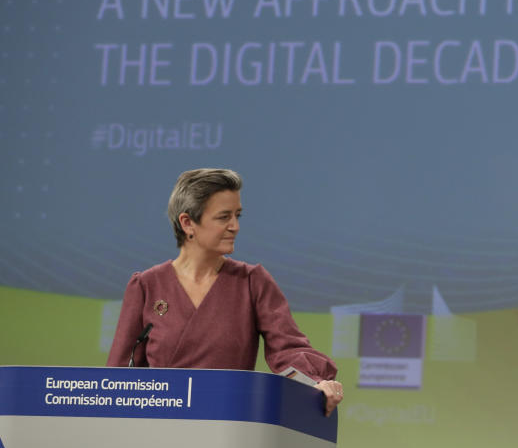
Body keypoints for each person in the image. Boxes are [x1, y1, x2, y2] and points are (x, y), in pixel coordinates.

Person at [107, 168, 344, 415]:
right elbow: (120, 374)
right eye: (223, 217)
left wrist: (317, 382)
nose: (235, 227)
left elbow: (289, 348)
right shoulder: (146, 285)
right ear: (188, 223)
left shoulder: (252, 282)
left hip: (228, 426)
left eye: (237, 215)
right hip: (160, 427)